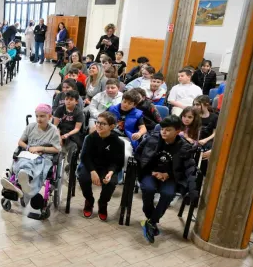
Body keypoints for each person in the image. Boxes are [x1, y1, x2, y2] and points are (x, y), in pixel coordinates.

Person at [137, 115, 198, 243]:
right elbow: (139, 155)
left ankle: (151, 222)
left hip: (171, 177)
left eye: (168, 130)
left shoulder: (184, 146)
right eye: (162, 129)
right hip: (150, 173)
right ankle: (151, 219)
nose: (164, 132)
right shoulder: (152, 139)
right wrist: (152, 171)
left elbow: (189, 169)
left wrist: (168, 174)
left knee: (168, 193)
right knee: (148, 188)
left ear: (177, 131)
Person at [0, 104, 61, 206]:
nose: (39, 119)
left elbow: (57, 149)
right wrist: (28, 148)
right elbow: (20, 142)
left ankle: (22, 184)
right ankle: (24, 180)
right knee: (23, 161)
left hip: (43, 156)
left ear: (50, 117)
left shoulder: (53, 130)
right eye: (37, 116)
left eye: (42, 116)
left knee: (36, 166)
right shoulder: (31, 127)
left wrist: (40, 148)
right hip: (28, 154)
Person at [77, 111, 125, 220]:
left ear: (112, 126)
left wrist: (111, 172)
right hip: (91, 166)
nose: (98, 125)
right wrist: (93, 172)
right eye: (97, 122)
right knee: (83, 178)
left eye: (103, 123)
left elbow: (118, 162)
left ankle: (103, 203)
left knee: (111, 182)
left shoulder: (118, 142)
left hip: (107, 168)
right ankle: (89, 200)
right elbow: (85, 157)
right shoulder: (90, 138)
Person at [109, 89, 147, 163]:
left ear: (134, 105)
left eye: (129, 103)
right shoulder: (112, 109)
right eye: (124, 101)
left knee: (126, 155)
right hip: (109, 135)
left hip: (126, 138)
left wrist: (139, 133)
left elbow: (143, 128)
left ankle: (123, 173)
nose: (125, 104)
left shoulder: (137, 114)